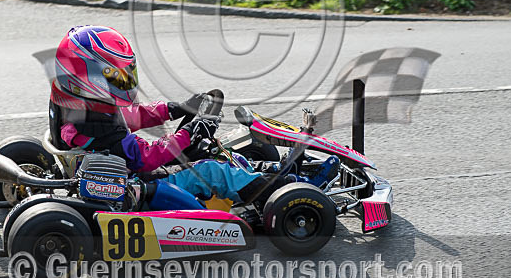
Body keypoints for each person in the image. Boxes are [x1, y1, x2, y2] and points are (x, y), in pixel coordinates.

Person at [48, 26, 336, 210]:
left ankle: (277, 173)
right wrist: (189, 133)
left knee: (223, 155)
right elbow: (145, 158)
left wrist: (176, 109)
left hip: (118, 169)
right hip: (136, 184)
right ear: (87, 78)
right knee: (212, 170)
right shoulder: (95, 126)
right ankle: (291, 192)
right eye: (115, 76)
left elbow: (131, 116)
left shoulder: (78, 106)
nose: (125, 81)